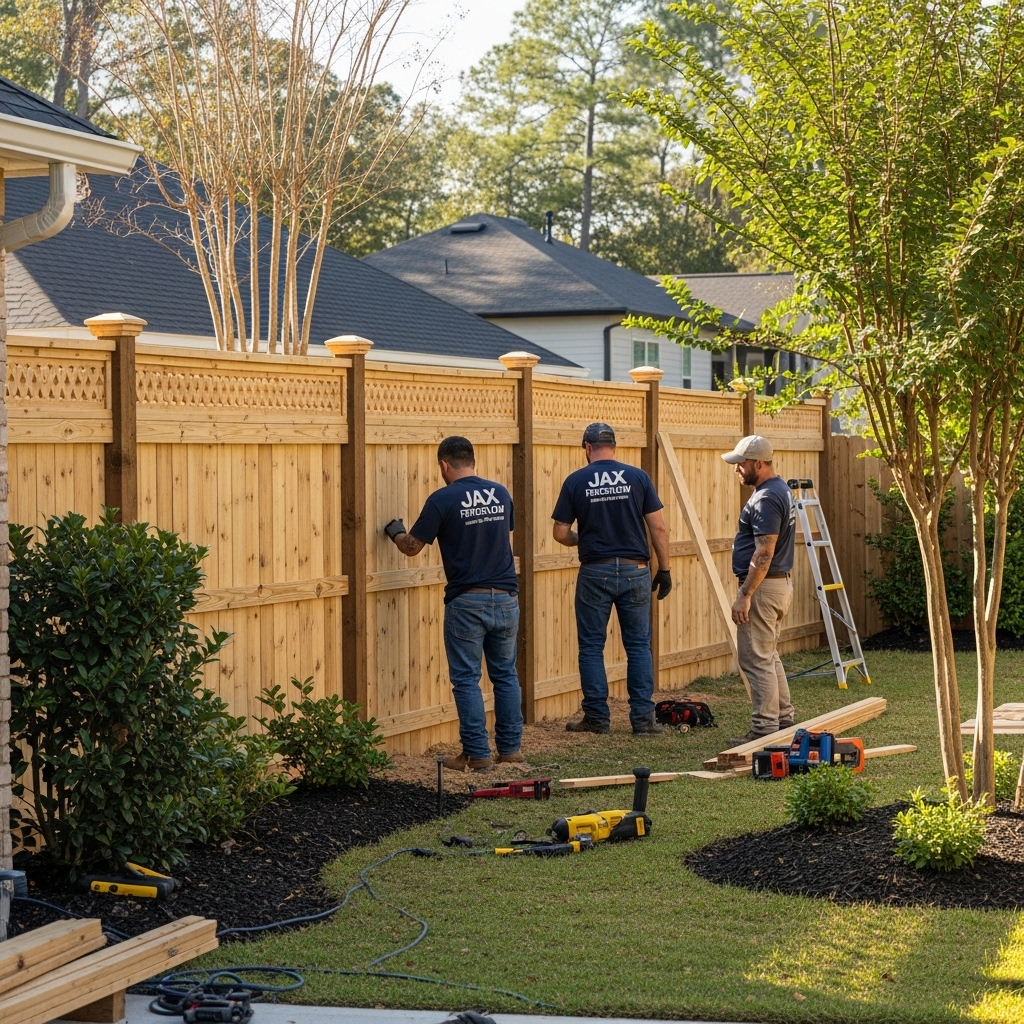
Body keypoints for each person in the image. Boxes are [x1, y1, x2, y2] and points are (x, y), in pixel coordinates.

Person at [384, 436, 522, 772]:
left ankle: (477, 755)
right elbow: (504, 531)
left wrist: (395, 531)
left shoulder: (442, 499)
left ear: (444, 465)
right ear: (472, 460)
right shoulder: (500, 494)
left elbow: (413, 547)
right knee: (505, 676)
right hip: (505, 599)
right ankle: (511, 751)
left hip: (467, 601)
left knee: (466, 679)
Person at [551, 422, 672, 736]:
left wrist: (585, 539)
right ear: (614, 446)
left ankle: (597, 718)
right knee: (638, 647)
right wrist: (665, 569)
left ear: (587, 448)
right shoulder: (637, 477)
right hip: (636, 571)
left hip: (596, 571)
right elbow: (658, 528)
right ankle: (644, 721)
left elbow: (560, 532)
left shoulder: (576, 481)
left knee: (591, 647)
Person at [722, 434, 797, 745]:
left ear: (759, 464)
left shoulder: (766, 498)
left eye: (741, 464)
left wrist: (745, 595)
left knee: (755, 658)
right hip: (778, 585)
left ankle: (765, 729)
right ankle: (783, 718)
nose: (737, 469)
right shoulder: (780, 490)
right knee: (768, 655)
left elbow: (764, 552)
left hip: (764, 589)